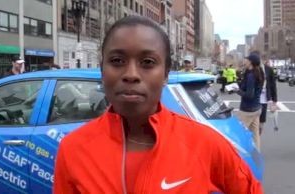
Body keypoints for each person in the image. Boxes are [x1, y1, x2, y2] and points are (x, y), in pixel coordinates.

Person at [53, 16, 262, 194]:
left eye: (148, 63)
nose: (131, 75)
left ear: (165, 74)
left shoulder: (205, 144)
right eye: (117, 61)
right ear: (102, 70)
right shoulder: (73, 150)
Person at [234, 53, 264, 151]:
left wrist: (237, 91)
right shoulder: (258, 72)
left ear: (250, 62)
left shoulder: (251, 76)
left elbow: (249, 95)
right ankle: (256, 155)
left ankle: (238, 157)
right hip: (256, 108)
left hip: (247, 110)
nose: (244, 61)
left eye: (246, 59)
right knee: (255, 135)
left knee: (238, 134)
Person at [259, 60, 278, 134]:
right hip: (253, 100)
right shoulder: (251, 69)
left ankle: (258, 136)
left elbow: (273, 85)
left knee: (261, 121)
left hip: (264, 99)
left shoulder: (269, 69)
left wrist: (274, 101)